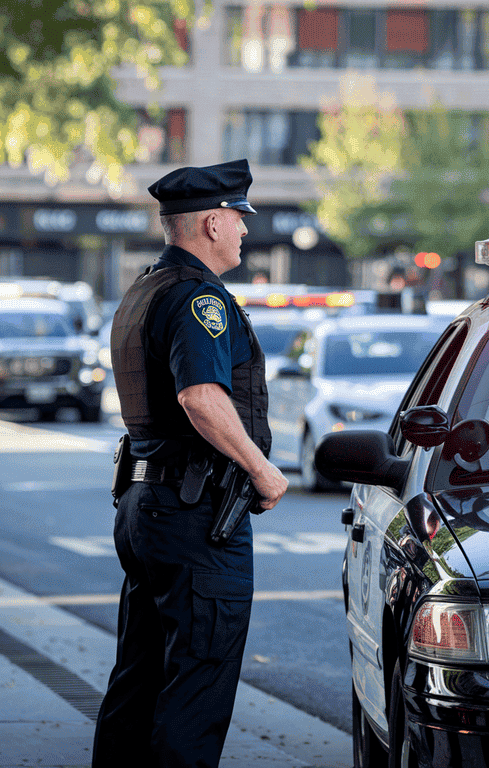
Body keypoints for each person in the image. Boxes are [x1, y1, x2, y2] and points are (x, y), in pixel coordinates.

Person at [92, 159, 288, 768]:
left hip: (148, 508)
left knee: (139, 681)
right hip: (195, 517)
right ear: (210, 222)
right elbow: (200, 396)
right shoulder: (200, 299)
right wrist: (262, 470)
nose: (245, 231)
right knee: (194, 692)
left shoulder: (146, 287)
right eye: (238, 218)